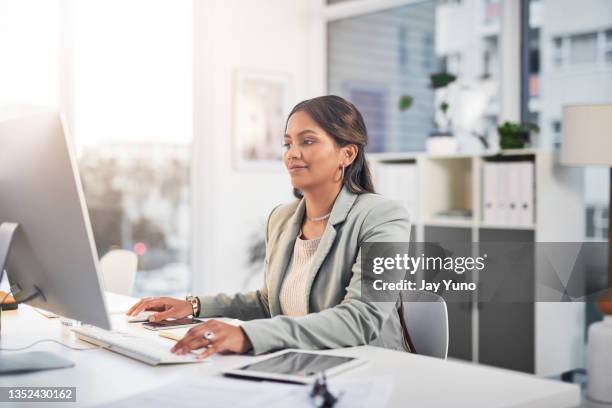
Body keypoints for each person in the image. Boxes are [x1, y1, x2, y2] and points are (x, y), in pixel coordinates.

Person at [127, 95, 412, 359]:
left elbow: (362, 318)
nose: (292, 154)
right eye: (288, 144)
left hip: (367, 368)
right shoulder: (282, 219)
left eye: (308, 142)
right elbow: (269, 303)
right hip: (302, 363)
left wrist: (248, 335)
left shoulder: (384, 217)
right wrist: (194, 305)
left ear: (347, 154)